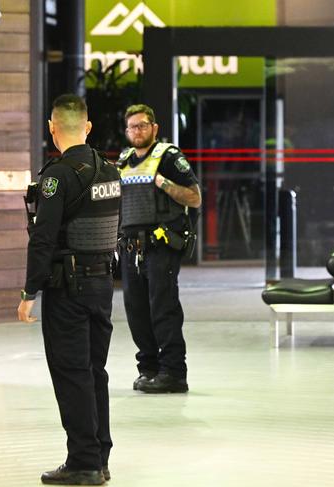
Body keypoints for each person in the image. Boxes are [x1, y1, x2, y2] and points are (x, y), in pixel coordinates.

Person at [17, 94, 121, 485]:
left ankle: (83, 462)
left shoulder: (57, 176)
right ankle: (100, 455)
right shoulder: (109, 170)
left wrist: (30, 292)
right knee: (95, 370)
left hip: (69, 288)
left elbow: (42, 239)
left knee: (72, 372)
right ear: (88, 127)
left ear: (52, 127)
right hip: (102, 285)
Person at [117, 104, 202, 394]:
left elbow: (194, 198)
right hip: (131, 246)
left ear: (154, 128)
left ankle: (174, 373)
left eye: (142, 125)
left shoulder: (168, 157)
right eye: (132, 127)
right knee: (136, 311)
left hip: (160, 244)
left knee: (163, 309)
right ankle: (149, 368)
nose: (137, 131)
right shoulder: (124, 160)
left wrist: (163, 183)